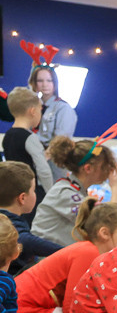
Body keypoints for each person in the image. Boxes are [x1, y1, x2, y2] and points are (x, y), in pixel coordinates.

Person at [16, 199, 117, 313]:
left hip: (35, 307)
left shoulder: (97, 254)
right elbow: (73, 306)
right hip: (27, 309)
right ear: (104, 233)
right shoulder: (89, 252)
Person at [32, 135, 117, 247]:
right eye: (104, 166)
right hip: (46, 259)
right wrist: (116, 188)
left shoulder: (74, 189)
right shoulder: (64, 193)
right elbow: (109, 223)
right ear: (88, 168)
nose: (109, 171)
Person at [0, 161, 60, 274]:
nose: (35, 193)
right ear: (22, 198)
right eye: (33, 190)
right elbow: (24, 240)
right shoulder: (11, 226)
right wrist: (67, 251)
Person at [2, 87, 54, 217]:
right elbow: (43, 170)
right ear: (32, 111)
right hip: (30, 194)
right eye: (40, 110)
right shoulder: (30, 137)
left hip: (12, 193)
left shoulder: (7, 135)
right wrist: (51, 195)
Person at [28, 64, 78, 182]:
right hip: (34, 158)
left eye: (49, 80)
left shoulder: (63, 108)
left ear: (55, 83)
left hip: (53, 162)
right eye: (40, 80)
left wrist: (42, 160)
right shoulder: (34, 107)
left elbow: (60, 140)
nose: (45, 84)